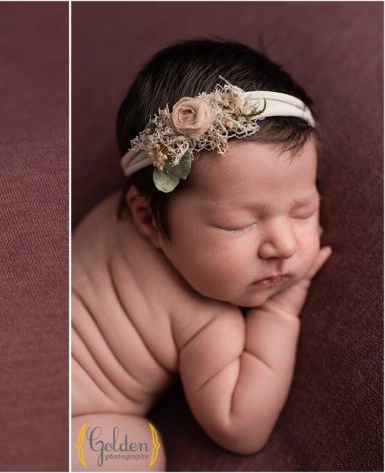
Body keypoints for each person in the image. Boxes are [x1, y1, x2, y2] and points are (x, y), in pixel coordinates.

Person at [71, 40, 331, 471]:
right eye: (239, 225)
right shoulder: (208, 317)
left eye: (302, 210)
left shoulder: (112, 213)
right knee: (139, 449)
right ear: (147, 220)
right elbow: (240, 427)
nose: (284, 246)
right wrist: (279, 313)